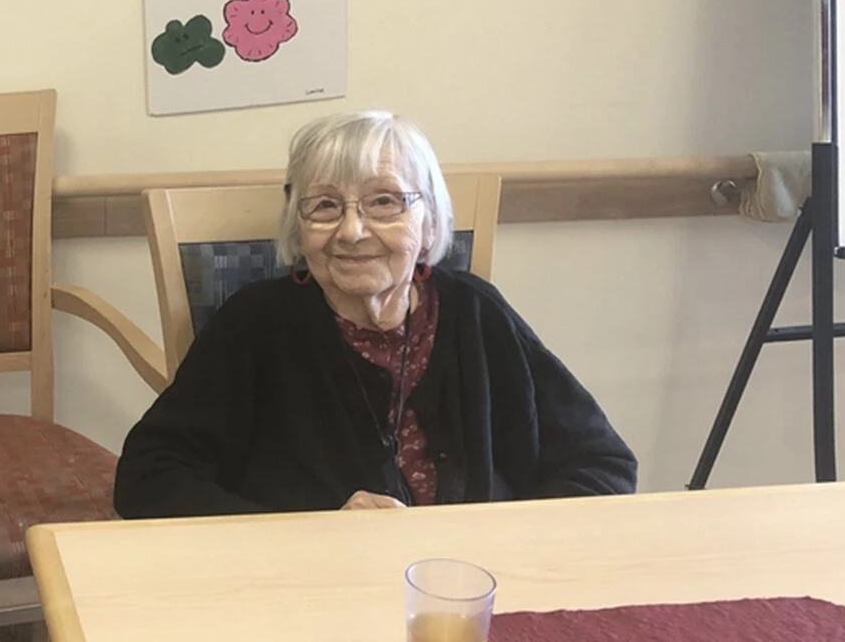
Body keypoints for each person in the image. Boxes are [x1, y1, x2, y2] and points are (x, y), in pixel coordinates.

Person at [114, 111, 636, 518]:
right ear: (298, 231)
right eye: (324, 206)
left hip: (473, 593)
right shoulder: (256, 324)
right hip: (315, 597)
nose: (352, 231)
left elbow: (601, 463)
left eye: (384, 202)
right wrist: (307, 534)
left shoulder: (477, 314)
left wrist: (505, 545)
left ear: (429, 225)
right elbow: (149, 476)